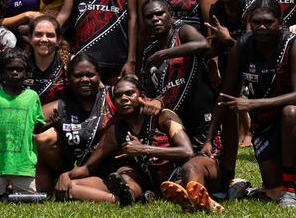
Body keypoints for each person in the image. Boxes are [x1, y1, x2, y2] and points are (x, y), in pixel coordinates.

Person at [203, 0, 296, 208]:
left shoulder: (294, 44)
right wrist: (209, 138)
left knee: (291, 112)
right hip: (265, 123)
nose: (262, 27)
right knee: (272, 191)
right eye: (256, 22)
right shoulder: (242, 45)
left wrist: (252, 105)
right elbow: (226, 95)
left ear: (281, 21)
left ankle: (290, 190)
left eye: (268, 22)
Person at [54, 75, 193, 205]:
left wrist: (143, 149)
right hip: (149, 185)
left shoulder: (163, 116)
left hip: (178, 178)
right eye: (118, 96)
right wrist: (67, 175)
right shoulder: (116, 130)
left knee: (128, 174)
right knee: (70, 187)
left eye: (130, 93)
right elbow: (89, 167)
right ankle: (119, 199)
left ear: (141, 96)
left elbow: (187, 152)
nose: (124, 98)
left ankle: (130, 196)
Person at [141, 0, 216, 153]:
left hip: (201, 115)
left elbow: (203, 44)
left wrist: (163, 54)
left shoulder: (182, 32)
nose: (155, 19)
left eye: (160, 13)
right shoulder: (149, 52)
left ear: (171, 16)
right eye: (149, 17)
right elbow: (150, 90)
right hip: (174, 123)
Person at [35, 53, 116, 193]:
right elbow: (25, 121)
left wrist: (157, 103)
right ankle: (51, 182)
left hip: (109, 167)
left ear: (99, 76)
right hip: (74, 168)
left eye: (90, 75)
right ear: (69, 78)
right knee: (43, 138)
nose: (85, 80)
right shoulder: (62, 106)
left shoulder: (112, 97)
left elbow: (139, 99)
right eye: (78, 75)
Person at [0, 48, 46, 198]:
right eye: (10, 69)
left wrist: (54, 123)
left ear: (27, 73)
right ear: (2, 73)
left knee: (27, 202)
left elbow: (38, 127)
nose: (15, 73)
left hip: (23, 164)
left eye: (19, 69)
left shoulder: (32, 96)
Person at [206, 0, 258, 147]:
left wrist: (227, 40)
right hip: (232, 58)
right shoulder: (216, 8)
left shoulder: (255, 6)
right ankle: (227, 163)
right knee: (226, 104)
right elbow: (215, 44)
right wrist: (210, 64)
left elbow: (254, 51)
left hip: (260, 63)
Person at [24, 15, 69, 105]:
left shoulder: (71, 63)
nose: (44, 39)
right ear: (30, 38)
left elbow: (100, 92)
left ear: (58, 40)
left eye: (50, 35)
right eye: (38, 34)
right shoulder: (20, 64)